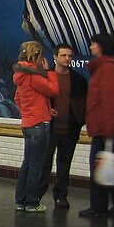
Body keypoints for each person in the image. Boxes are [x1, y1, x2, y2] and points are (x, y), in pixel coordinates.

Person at [79, 33, 114, 217]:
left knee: (99, 166)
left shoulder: (108, 69)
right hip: (104, 126)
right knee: (107, 166)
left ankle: (99, 207)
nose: (90, 47)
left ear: (101, 46)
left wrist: (107, 129)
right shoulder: (104, 68)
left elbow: (110, 101)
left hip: (105, 128)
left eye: (93, 44)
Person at [37, 43, 87, 209]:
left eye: (69, 56)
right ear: (55, 57)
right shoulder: (46, 77)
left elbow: (82, 103)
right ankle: (37, 194)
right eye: (64, 55)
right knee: (44, 164)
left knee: (64, 165)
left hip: (70, 130)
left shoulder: (78, 80)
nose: (67, 59)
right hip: (49, 129)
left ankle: (60, 195)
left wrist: (80, 121)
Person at [12, 41, 59, 212]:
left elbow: (18, 99)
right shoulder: (34, 75)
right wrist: (49, 72)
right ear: (37, 56)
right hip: (39, 125)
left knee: (27, 163)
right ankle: (32, 202)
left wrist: (43, 109)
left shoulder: (21, 76)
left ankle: (20, 200)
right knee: (36, 164)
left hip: (28, 123)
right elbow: (53, 90)